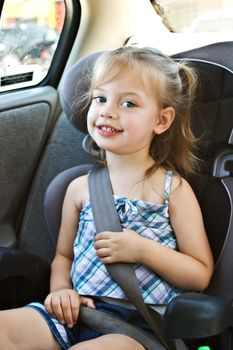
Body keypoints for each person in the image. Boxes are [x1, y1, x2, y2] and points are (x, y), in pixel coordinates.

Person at [0, 46, 214, 350]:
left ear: (162, 120)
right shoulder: (78, 188)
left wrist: (141, 250)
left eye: (128, 103)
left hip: (138, 328)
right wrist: (61, 291)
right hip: (76, 314)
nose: (108, 110)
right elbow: (64, 257)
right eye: (100, 98)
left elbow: (200, 274)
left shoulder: (173, 190)